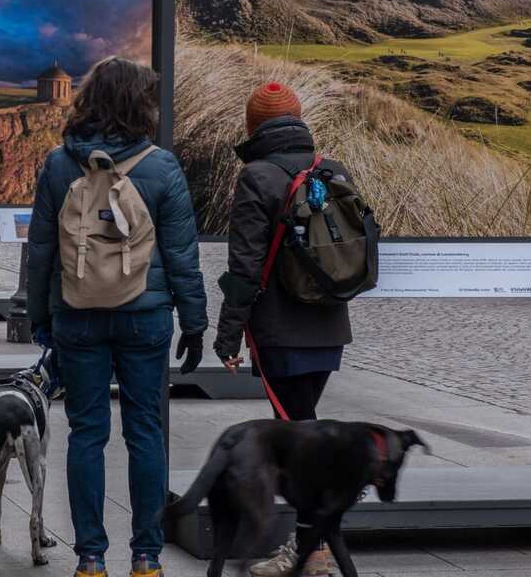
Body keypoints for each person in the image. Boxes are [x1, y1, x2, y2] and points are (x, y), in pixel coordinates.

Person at [26, 57, 207, 577]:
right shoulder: (161, 166)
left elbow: (40, 250)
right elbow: (181, 255)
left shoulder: (60, 164)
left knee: (86, 433)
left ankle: (90, 558)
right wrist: (194, 324)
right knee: (145, 431)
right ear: (140, 103)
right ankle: (147, 556)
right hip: (144, 318)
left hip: (77, 316)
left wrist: (39, 314)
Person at [212, 82, 356, 577]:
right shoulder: (332, 169)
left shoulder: (256, 176)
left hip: (279, 331)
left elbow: (245, 268)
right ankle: (315, 537)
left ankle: (312, 551)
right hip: (330, 326)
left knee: (298, 439)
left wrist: (227, 335)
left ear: (253, 128)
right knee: (303, 426)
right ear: (298, 119)